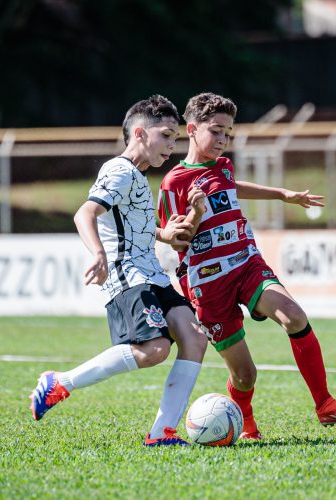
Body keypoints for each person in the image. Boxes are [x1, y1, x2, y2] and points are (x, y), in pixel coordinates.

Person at [158, 92, 336, 440]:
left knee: (294, 316)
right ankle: (246, 422)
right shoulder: (174, 182)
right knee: (245, 376)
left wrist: (283, 194)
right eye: (216, 131)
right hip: (208, 284)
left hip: (246, 263)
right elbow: (176, 239)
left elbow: (231, 186)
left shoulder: (222, 166)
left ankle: (324, 404)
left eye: (228, 132)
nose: (223, 139)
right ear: (191, 129)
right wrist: (195, 211)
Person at [29, 95, 208, 447]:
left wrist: (165, 233)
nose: (172, 147)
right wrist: (97, 253)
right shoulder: (119, 170)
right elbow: (85, 213)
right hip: (128, 276)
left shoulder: (138, 177)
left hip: (153, 274)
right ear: (140, 133)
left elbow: (130, 223)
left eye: (175, 139)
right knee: (154, 351)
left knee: (195, 338)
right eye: (167, 136)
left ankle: (161, 434)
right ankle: (61, 382)